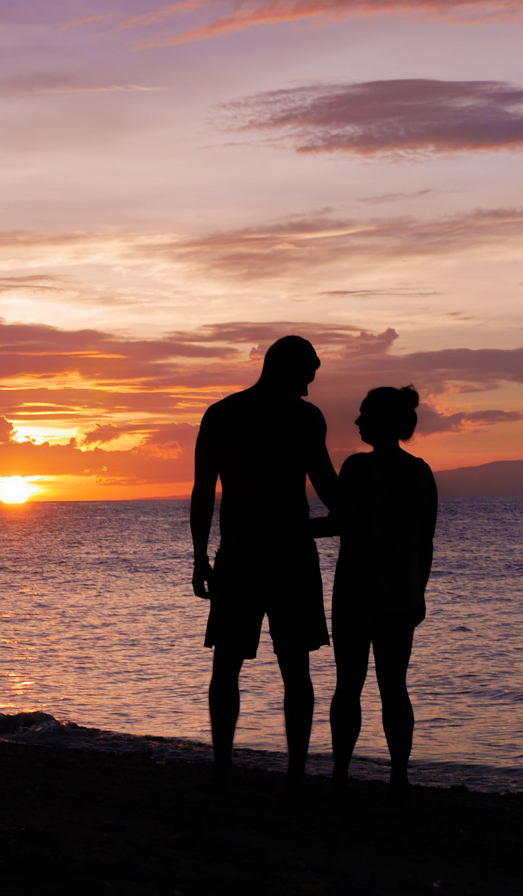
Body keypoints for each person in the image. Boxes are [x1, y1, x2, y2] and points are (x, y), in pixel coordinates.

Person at [190, 335, 338, 790]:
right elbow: (331, 493)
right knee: (294, 668)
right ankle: (294, 771)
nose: (310, 388)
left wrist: (200, 556)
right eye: (306, 378)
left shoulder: (222, 414)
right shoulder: (304, 418)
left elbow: (203, 494)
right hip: (288, 557)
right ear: (287, 369)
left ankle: (222, 767)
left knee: (229, 664)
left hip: (240, 552)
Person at [328, 385, 437, 803]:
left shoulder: (356, 468)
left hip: (356, 590)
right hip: (399, 592)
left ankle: (340, 773)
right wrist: (419, 592)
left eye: (363, 415)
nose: (356, 422)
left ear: (381, 421)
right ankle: (399, 776)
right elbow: (424, 543)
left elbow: (342, 522)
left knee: (349, 685)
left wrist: (288, 530)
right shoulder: (421, 472)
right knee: (394, 687)